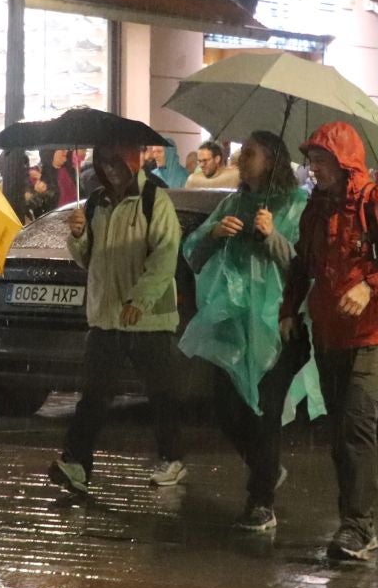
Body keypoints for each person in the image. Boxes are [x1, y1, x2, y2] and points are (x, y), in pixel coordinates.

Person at [281, 122, 378, 563]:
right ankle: (352, 520)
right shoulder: (316, 209)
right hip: (329, 335)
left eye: (322, 160)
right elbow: (302, 265)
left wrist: (372, 284)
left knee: (355, 426)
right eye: (311, 160)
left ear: (345, 162)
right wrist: (289, 309)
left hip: (373, 334)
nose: (314, 168)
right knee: (339, 432)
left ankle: (358, 526)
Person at [179, 131, 317, 530]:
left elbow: (302, 265)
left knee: (265, 409)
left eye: (250, 152)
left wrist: (272, 235)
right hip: (233, 322)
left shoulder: (296, 204)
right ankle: (266, 468)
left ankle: (261, 500)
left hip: (278, 323)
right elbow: (194, 254)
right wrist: (213, 233)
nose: (240, 158)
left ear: (273, 159)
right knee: (227, 407)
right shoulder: (233, 201)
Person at [48, 143, 187, 491]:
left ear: (133, 160)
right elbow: (90, 259)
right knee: (94, 395)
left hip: (149, 319)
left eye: (116, 161)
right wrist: (77, 236)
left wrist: (139, 300)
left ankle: (173, 458)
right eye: (103, 162)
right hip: (106, 317)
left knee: (162, 394)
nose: (109, 170)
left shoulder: (156, 200)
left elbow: (165, 256)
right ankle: (76, 464)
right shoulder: (96, 202)